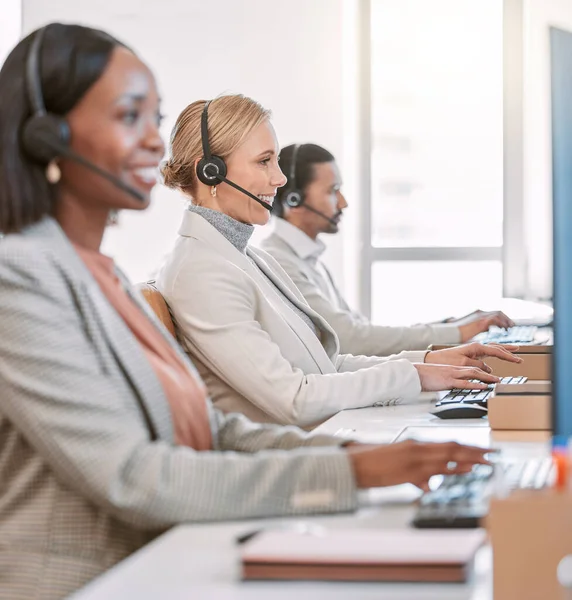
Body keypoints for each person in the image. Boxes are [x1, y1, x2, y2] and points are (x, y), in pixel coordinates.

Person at [0, 24, 493, 600]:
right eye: (129, 116)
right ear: (46, 136)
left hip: (162, 556)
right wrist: (354, 473)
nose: (157, 146)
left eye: (154, 122)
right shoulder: (20, 279)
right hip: (89, 582)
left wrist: (361, 456)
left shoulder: (101, 275)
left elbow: (215, 432)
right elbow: (132, 477)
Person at [157, 94, 521, 429]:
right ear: (210, 172)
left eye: (277, 161)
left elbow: (325, 365)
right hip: (291, 458)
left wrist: (427, 363)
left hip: (323, 434)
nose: (280, 179)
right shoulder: (200, 272)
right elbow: (294, 399)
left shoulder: (249, 257)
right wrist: (417, 375)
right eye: (264, 161)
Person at [261, 143, 515, 357]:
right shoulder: (280, 262)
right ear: (293, 199)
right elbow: (350, 340)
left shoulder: (307, 259)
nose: (343, 203)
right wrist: (457, 333)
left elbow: (361, 328)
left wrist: (452, 325)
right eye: (333, 191)